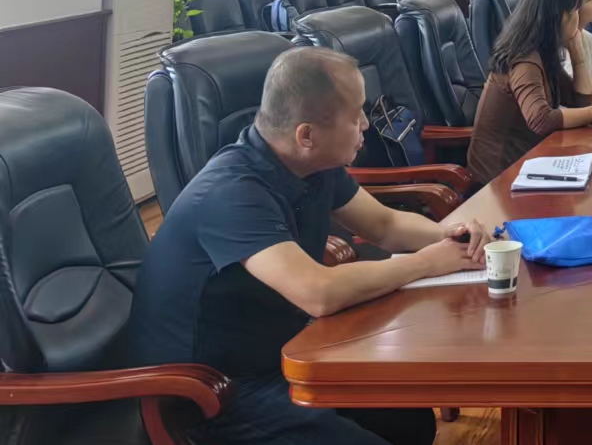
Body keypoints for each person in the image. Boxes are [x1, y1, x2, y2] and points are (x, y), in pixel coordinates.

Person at [129, 47, 490, 445]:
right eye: (354, 115)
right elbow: (317, 293)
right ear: (306, 135)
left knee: (408, 421)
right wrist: (427, 263)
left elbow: (385, 225)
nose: (366, 124)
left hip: (280, 354)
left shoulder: (313, 165)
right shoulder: (231, 192)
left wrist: (451, 234)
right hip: (212, 394)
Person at [467, 0, 592, 184]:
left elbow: (578, 103)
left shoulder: (543, 51)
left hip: (532, 163)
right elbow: (541, 120)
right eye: (575, 10)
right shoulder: (524, 59)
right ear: (561, 16)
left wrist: (578, 58)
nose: (578, 17)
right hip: (500, 179)